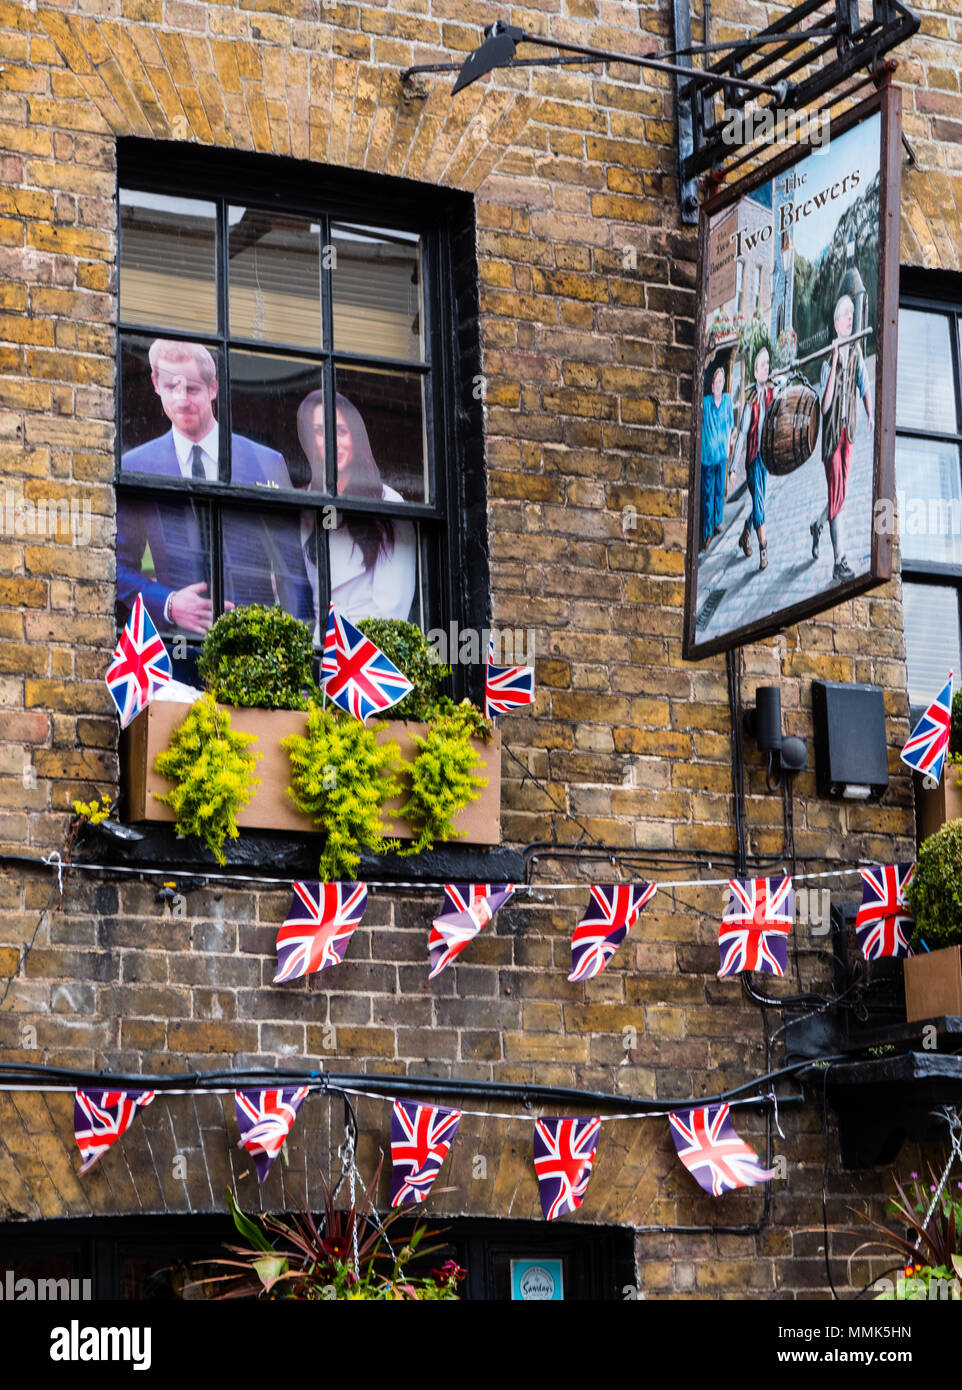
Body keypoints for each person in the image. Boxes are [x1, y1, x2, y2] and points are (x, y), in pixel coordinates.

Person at [117, 340, 313, 635]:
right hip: (174, 650)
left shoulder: (266, 463)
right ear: (156, 384)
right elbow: (116, 568)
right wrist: (168, 603)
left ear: (213, 388)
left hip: (256, 650)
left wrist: (291, 648)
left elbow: (293, 574)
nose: (182, 400)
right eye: (172, 387)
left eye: (193, 389)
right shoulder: (135, 466)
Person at [296, 389, 417, 639]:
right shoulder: (304, 504)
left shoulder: (388, 502)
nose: (332, 441)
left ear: (355, 436)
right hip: (319, 648)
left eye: (341, 431)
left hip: (367, 653)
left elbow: (392, 607)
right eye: (320, 432)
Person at [810, 293, 872, 582]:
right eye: (846, 315)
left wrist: (870, 414)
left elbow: (864, 386)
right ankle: (839, 561)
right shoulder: (827, 363)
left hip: (849, 433)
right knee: (837, 494)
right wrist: (834, 359)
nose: (850, 318)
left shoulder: (858, 354)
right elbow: (825, 405)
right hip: (832, 438)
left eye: (851, 315)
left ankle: (818, 524)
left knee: (841, 496)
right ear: (837, 324)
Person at [731, 343, 775, 572]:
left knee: (760, 504)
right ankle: (763, 550)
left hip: (766, 460)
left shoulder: (771, 394)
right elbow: (742, 435)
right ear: (755, 372)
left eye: (768, 364)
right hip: (753, 461)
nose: (766, 368)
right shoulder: (751, 403)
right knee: (759, 506)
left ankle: (745, 534)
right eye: (761, 365)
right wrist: (732, 467)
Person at [700, 358, 735, 553]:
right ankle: (707, 532)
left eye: (721, 381)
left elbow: (730, 424)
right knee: (707, 494)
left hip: (721, 455)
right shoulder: (705, 403)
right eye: (715, 382)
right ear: (711, 385)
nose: (718, 385)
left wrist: (730, 443)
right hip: (707, 457)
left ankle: (717, 521)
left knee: (718, 490)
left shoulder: (728, 400)